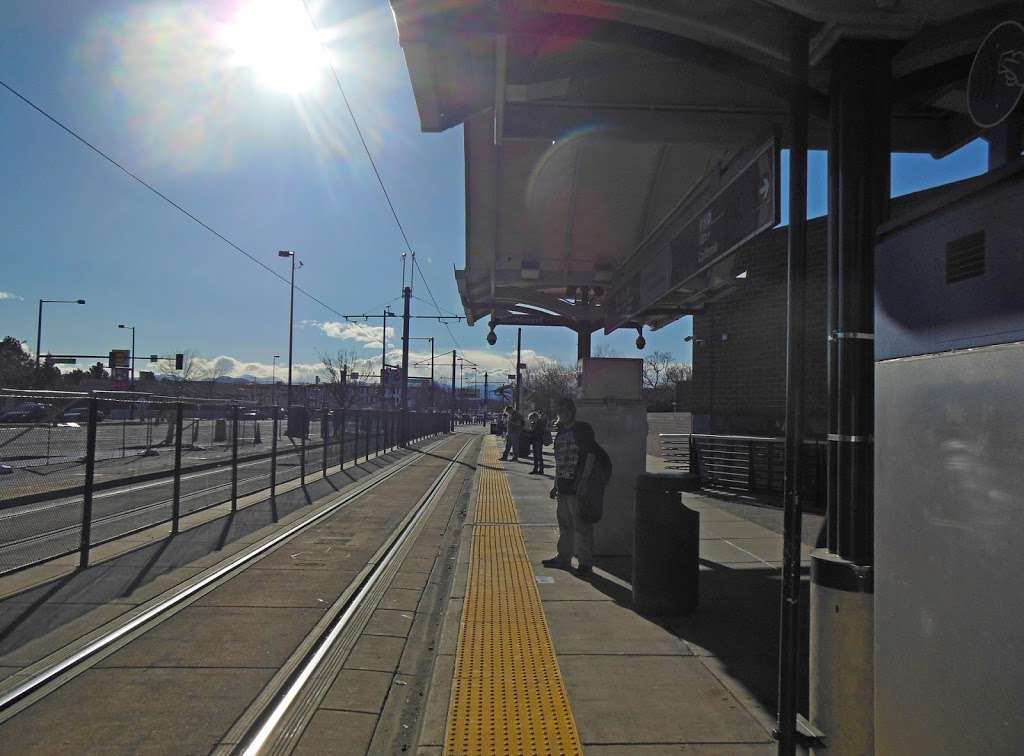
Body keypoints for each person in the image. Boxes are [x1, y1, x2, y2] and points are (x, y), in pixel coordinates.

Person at [543, 397, 608, 577]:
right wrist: (555, 485)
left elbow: (590, 457)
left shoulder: (582, 430)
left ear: (571, 412)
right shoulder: (561, 431)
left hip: (577, 486)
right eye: (559, 412)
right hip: (563, 486)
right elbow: (559, 461)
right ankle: (563, 556)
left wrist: (583, 482)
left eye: (563, 411)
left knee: (581, 526)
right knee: (564, 524)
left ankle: (585, 563)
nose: (561, 415)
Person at [529, 410, 547, 475]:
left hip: (539, 440)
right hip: (534, 440)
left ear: (535, 417)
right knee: (535, 456)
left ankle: (541, 470)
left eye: (532, 418)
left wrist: (532, 430)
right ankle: (535, 469)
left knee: (539, 455)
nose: (531, 420)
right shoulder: (533, 423)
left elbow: (542, 431)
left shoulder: (540, 422)